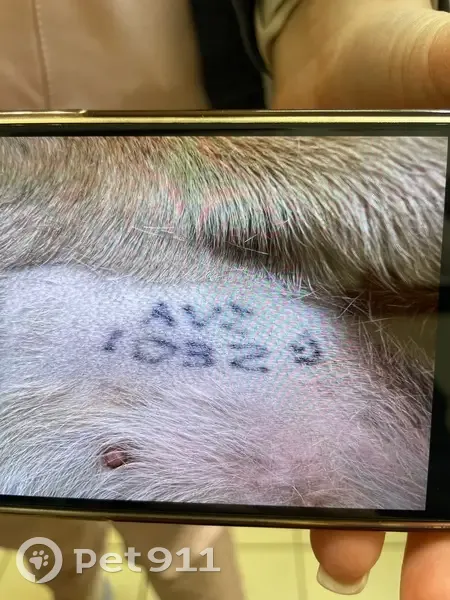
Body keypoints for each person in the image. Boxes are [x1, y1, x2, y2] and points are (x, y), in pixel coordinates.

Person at [0, 1, 449, 599]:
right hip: (164, 207)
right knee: (51, 538)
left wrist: (315, 18)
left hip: (182, 152)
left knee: (184, 552)